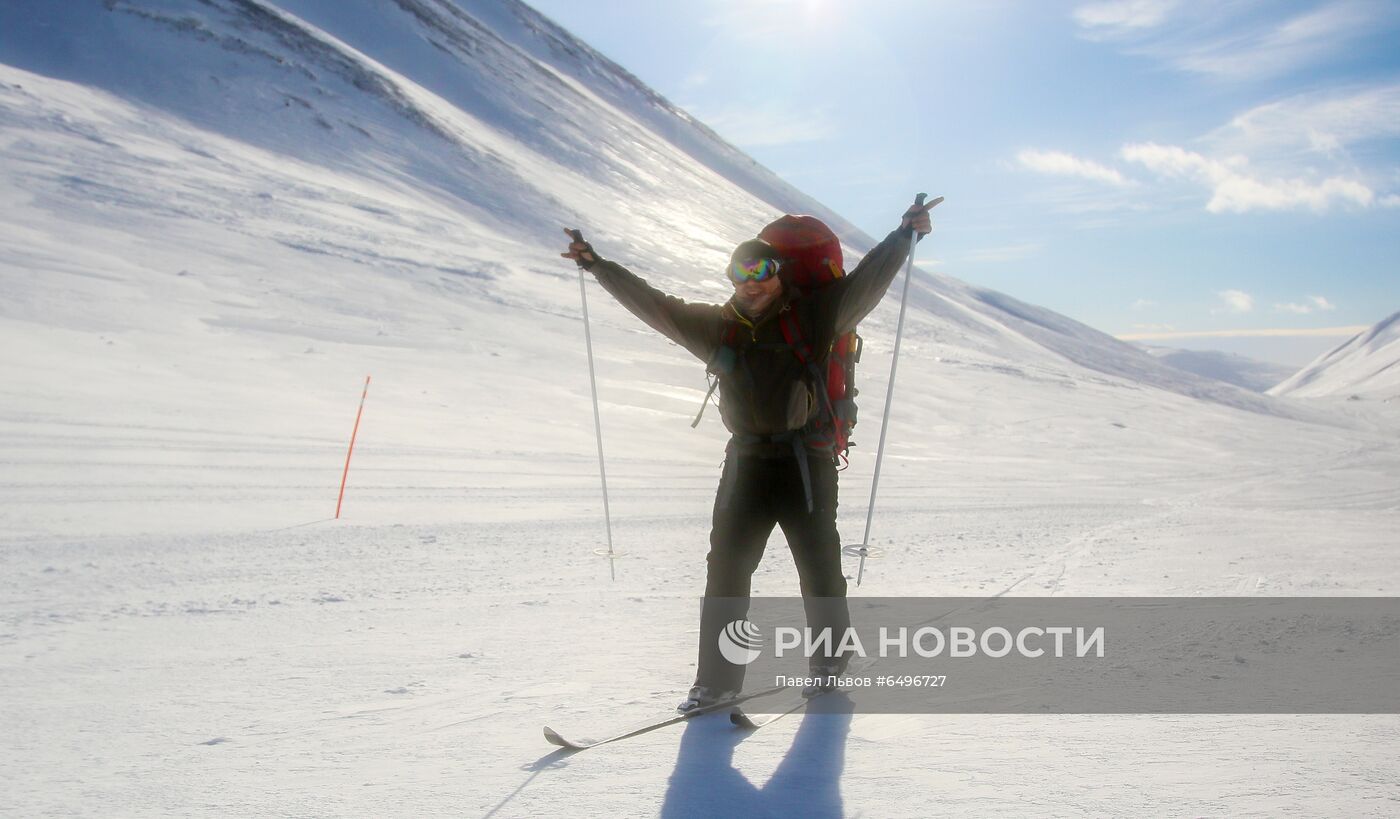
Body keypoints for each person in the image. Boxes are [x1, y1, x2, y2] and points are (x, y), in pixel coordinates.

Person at [562, 197, 938, 711]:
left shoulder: (815, 317)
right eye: (741, 273)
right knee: (727, 571)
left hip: (806, 462)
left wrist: (904, 235)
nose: (751, 282)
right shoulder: (719, 327)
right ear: (732, 278)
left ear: (777, 273)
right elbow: (654, 305)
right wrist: (597, 265)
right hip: (745, 465)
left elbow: (865, 285)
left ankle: (829, 664)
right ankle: (715, 682)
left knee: (819, 566)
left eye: (761, 271)